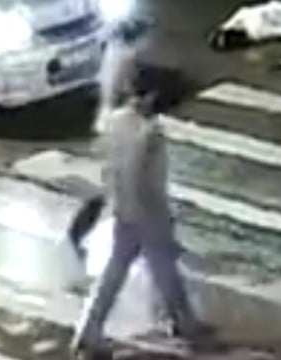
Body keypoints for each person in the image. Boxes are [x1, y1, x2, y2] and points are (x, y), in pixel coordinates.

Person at [71, 68, 213, 359]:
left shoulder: (115, 121)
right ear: (149, 97)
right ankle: (182, 323)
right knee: (155, 269)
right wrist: (151, 215)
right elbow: (139, 175)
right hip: (146, 212)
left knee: (147, 270)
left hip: (126, 209)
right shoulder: (147, 132)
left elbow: (111, 168)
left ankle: (91, 332)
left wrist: (121, 206)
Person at [66, 19, 150, 262]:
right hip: (118, 129)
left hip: (108, 125)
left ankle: (81, 235)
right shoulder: (127, 57)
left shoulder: (114, 51)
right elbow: (123, 94)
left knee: (112, 189)